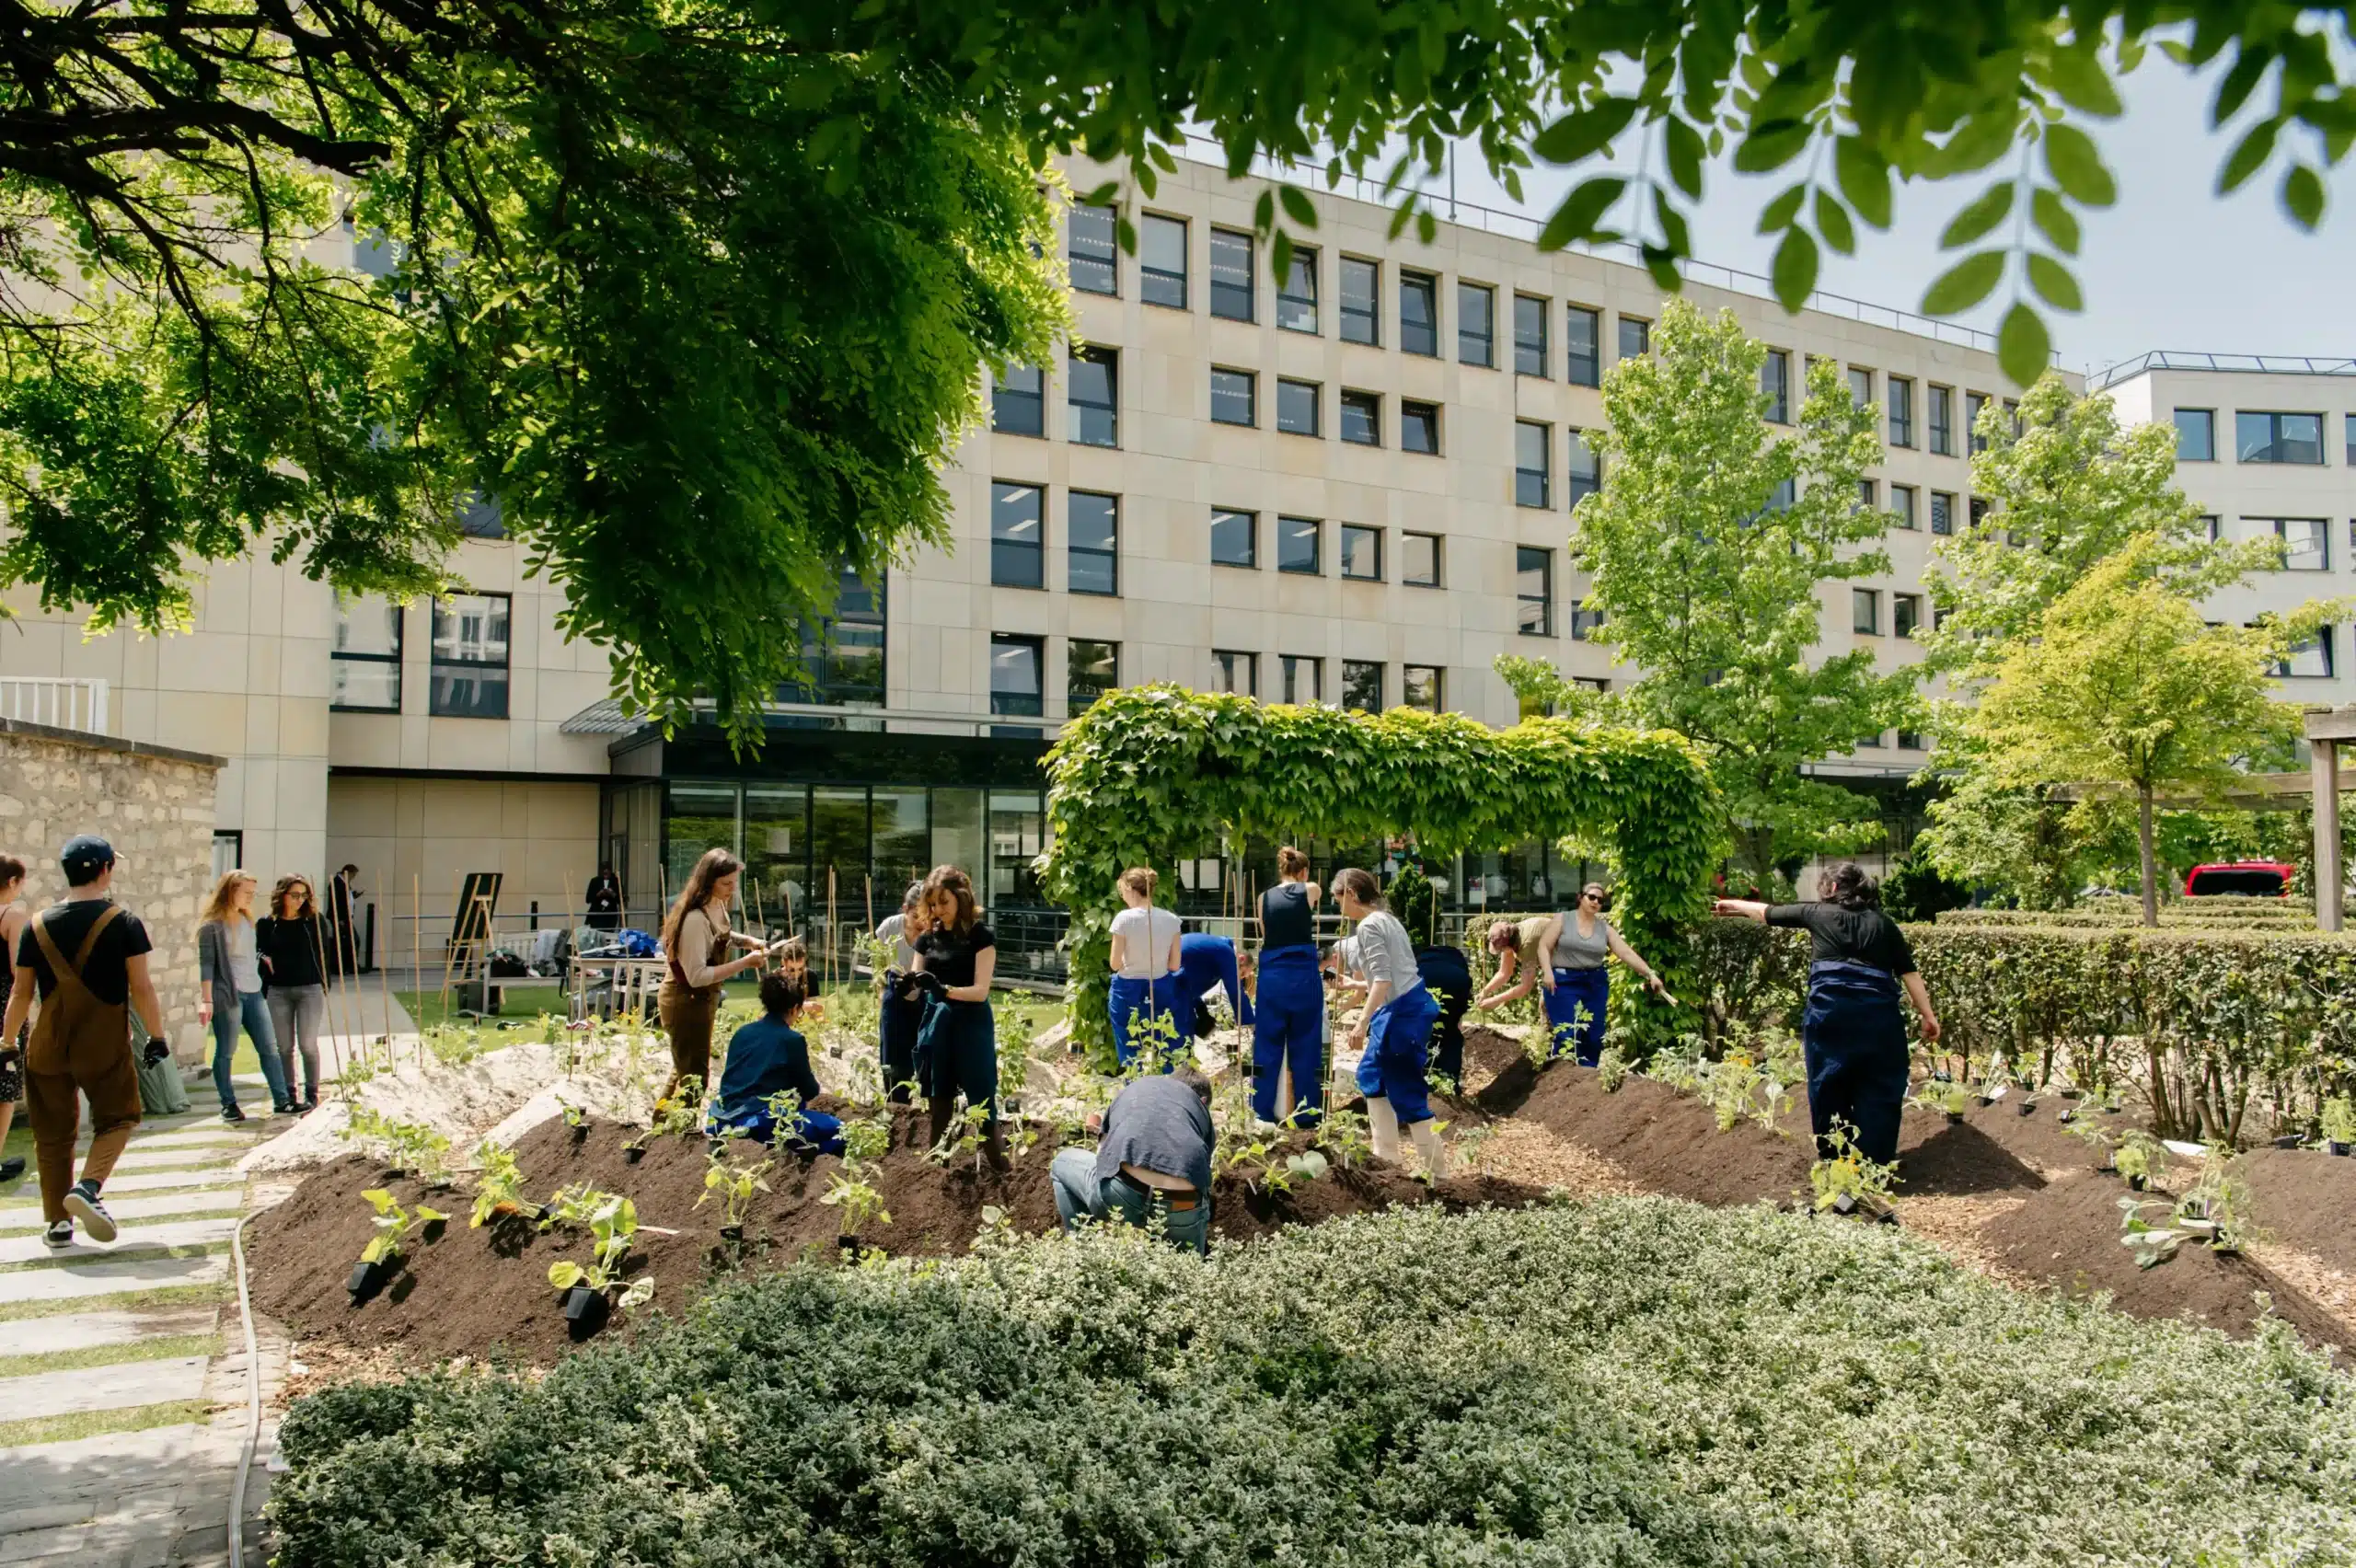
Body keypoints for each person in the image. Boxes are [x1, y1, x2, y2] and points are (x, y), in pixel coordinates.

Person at [0, 836, 167, 1247]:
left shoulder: (36, 925)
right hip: (102, 1042)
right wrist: (157, 1036)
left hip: (47, 1044)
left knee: (53, 1134)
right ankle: (88, 1188)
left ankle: (58, 1224)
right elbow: (141, 987)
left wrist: (6, 1043)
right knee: (120, 1117)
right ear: (106, 869)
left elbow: (20, 994)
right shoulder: (124, 922)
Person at [1715, 864, 1940, 1166]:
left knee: (1828, 1085)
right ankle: (1872, 1164)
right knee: (1880, 1086)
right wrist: (1928, 1015)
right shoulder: (1884, 924)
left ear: (1832, 888)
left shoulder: (1817, 913)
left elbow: (1768, 912)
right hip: (1879, 1022)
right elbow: (1909, 973)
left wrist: (1732, 904)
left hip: (1830, 1018)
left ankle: (1835, 1160)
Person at [1332, 868, 1445, 1176]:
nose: (1338, 906)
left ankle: (1438, 1175)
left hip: (1403, 1014)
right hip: (1401, 1007)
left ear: (1351, 894)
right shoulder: (1388, 919)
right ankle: (1387, 1161)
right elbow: (1389, 976)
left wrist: (1361, 1022)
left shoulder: (1369, 926)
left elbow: (1382, 980)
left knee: (1407, 1092)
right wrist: (1354, 986)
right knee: (1371, 1075)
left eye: (1338, 898)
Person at [657, 848, 781, 1106]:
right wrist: (745, 963)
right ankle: (680, 1133)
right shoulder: (694, 919)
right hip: (686, 1000)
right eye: (726, 883)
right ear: (708, 881)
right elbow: (697, 976)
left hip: (702, 1000)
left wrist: (747, 941)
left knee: (685, 1068)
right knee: (694, 1077)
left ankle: (661, 1125)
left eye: (734, 882)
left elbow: (722, 935)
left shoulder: (717, 907)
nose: (731, 889)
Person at [1050, 1065, 1215, 1254]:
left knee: (1061, 1163)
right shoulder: (1201, 1112)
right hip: (1182, 1204)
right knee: (1190, 1270)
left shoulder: (1138, 1088)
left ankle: (1083, 1252)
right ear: (1202, 1101)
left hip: (1122, 1192)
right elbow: (1202, 1177)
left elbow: (1103, 1157)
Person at [908, 864, 1003, 1162]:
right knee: (939, 1103)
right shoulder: (927, 940)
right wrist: (904, 987)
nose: (938, 909)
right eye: (932, 904)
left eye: (943, 902)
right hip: (939, 1025)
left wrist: (944, 990)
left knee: (982, 1099)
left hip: (972, 1025)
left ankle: (1000, 1167)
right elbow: (915, 985)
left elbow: (981, 991)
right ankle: (937, 1171)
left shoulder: (980, 937)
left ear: (961, 898)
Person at [709, 971, 843, 1153]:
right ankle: (805, 1154)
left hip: (725, 1116)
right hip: (765, 1121)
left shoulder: (742, 1033)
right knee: (842, 1132)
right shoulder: (791, 1039)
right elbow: (810, 1091)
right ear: (794, 1008)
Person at [1537, 883, 1669, 1067]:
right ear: (1580, 897)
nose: (1596, 902)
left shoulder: (1603, 928)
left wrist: (1650, 974)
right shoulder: (1562, 919)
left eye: (1600, 900)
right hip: (1564, 982)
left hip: (1594, 982)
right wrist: (1547, 971)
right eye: (1592, 897)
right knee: (1568, 1033)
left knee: (1593, 1034)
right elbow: (1544, 945)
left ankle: (1587, 1079)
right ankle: (1562, 1078)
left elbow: (1626, 953)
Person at [198, 870, 294, 1119]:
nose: (251, 897)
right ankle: (228, 1104)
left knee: (269, 1048)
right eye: (247, 892)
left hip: (254, 992)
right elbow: (206, 965)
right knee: (226, 1051)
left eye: (253, 892)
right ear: (231, 891)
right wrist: (206, 1000)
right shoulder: (212, 926)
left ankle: (282, 1100)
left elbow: (252, 954)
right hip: (229, 994)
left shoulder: (246, 920)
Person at [1251, 846, 1323, 1126]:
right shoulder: (1311, 889)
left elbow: (1266, 933)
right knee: (1306, 1043)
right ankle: (1308, 1114)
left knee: (1266, 1043)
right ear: (1304, 872)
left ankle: (1261, 1112)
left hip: (1272, 974)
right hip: (1303, 974)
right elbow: (1307, 895)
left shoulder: (1262, 898)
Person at [255, 875, 329, 1112]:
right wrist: (264, 966)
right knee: (284, 1047)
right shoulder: (267, 924)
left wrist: (325, 983)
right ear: (282, 895)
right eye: (294, 895)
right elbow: (260, 953)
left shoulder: (314, 921)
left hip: (310, 989)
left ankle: (312, 1093)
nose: (300, 900)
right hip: (278, 991)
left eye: (304, 895)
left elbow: (325, 955)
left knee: (307, 1044)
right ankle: (288, 1095)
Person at [1105, 867, 1182, 1071]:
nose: (1123, 897)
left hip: (1128, 988)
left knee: (1129, 1048)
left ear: (1130, 888)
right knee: (1163, 1043)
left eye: (1122, 892)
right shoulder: (1172, 920)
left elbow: (1114, 964)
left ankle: (1135, 1090)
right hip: (1161, 986)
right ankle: (1166, 1088)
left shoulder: (1124, 918)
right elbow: (1174, 965)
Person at [872, 882, 928, 1102]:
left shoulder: (933, 931)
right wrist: (880, 994)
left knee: (926, 1055)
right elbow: (878, 965)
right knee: (893, 1061)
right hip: (895, 993)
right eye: (916, 916)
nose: (921, 923)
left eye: (925, 916)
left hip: (925, 994)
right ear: (905, 909)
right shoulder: (889, 928)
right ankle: (897, 1107)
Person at [0, 857, 28, 1183]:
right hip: (4, 1005)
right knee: (5, 1088)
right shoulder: (12, 915)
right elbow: (17, 971)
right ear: (12, 882)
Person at [1175, 931, 1253, 1041]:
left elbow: (1190, 984)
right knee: (1183, 1029)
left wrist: (1201, 1010)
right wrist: (1249, 1024)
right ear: (1241, 959)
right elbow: (1235, 992)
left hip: (1173, 979)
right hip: (1175, 980)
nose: (1241, 978)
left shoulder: (1215, 950)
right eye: (1243, 973)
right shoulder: (1226, 953)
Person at [1472, 914, 1556, 1009]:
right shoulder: (1511, 934)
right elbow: (1504, 972)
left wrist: (1496, 1000)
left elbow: (1526, 986)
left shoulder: (1527, 944)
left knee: (1549, 1002)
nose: (1501, 952)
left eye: (1501, 949)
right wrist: (1485, 992)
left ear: (1508, 946)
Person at [329, 864, 362, 975]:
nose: (353, 877)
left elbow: (345, 898)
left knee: (349, 942)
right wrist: (339, 919)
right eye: (353, 875)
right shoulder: (337, 883)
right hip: (341, 918)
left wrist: (353, 895)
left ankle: (348, 966)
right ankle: (343, 967)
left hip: (346, 917)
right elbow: (336, 902)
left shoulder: (344, 883)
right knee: (347, 941)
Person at [584, 864, 623, 931]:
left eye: (608, 872)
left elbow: (621, 900)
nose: (606, 875)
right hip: (596, 914)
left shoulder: (616, 881)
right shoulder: (595, 881)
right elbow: (588, 899)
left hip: (610, 915)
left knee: (608, 934)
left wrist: (612, 894)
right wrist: (598, 894)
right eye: (604, 873)